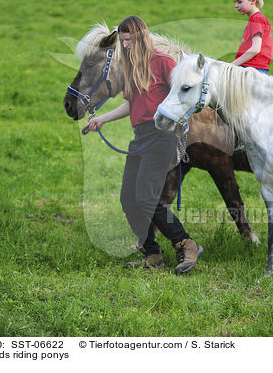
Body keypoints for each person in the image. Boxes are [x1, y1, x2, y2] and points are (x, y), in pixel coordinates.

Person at [85, 15, 203, 275]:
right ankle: (152, 253)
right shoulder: (132, 66)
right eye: (123, 41)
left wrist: (181, 125)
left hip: (161, 135)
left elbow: (183, 96)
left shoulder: (163, 63)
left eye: (128, 41)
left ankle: (185, 242)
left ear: (140, 37)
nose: (124, 46)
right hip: (140, 137)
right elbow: (132, 103)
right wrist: (101, 119)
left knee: (146, 197)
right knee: (128, 198)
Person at [231, 0, 273, 74]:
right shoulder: (255, 19)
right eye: (235, 2)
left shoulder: (257, 19)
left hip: (252, 68)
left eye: (239, 2)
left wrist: (231, 65)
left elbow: (255, 49)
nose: (236, 6)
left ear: (253, 1)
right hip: (251, 67)